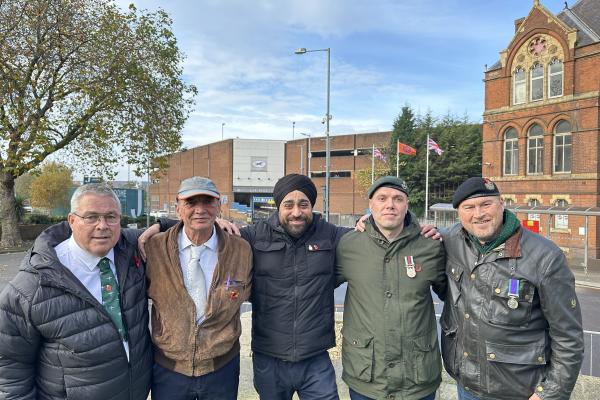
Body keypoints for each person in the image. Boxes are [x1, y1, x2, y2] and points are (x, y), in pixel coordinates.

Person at [139, 173, 440, 400]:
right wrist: (163, 224)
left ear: (312, 207)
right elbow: (200, 224)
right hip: (269, 358)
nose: (297, 211)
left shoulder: (334, 236)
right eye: (289, 204)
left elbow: (378, 234)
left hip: (316, 359)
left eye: (304, 204)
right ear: (278, 206)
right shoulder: (251, 237)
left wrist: (415, 226)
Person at [0, 183, 152, 399]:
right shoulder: (31, 286)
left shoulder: (129, 249)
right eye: (91, 217)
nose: (102, 225)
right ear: (71, 221)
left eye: (111, 216)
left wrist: (160, 225)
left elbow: (185, 225)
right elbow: (11, 367)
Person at [440, 177, 584, 400]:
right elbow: (408, 233)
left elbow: (568, 337)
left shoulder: (545, 257)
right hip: (466, 386)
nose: (478, 214)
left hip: (520, 393)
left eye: (486, 204)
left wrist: (549, 394)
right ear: (459, 213)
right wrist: (365, 226)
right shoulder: (451, 240)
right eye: (469, 207)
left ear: (501, 203)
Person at [336, 176, 446, 400]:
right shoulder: (348, 244)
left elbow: (454, 296)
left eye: (398, 199)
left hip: (417, 377)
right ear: (370, 204)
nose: (390, 205)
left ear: (407, 205)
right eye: (382, 198)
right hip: (367, 376)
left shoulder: (431, 245)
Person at [144, 176, 253, 400]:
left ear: (218, 207)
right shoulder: (154, 248)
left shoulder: (241, 249)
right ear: (178, 209)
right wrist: (158, 224)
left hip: (221, 368)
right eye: (191, 203)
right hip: (169, 369)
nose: (200, 209)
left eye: (208, 202)